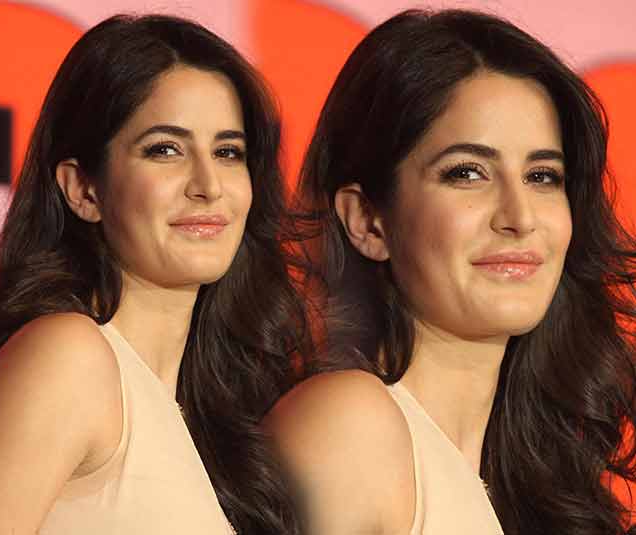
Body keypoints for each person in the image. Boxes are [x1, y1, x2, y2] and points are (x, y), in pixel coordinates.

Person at [264, 9, 636, 535]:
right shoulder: (349, 425)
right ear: (368, 220)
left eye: (542, 176)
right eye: (467, 173)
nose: (520, 217)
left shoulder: (545, 482)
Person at [0, 14, 309, 535]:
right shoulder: (68, 356)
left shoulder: (222, 415)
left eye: (228, 152)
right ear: (84, 190)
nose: (208, 185)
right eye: (164, 150)